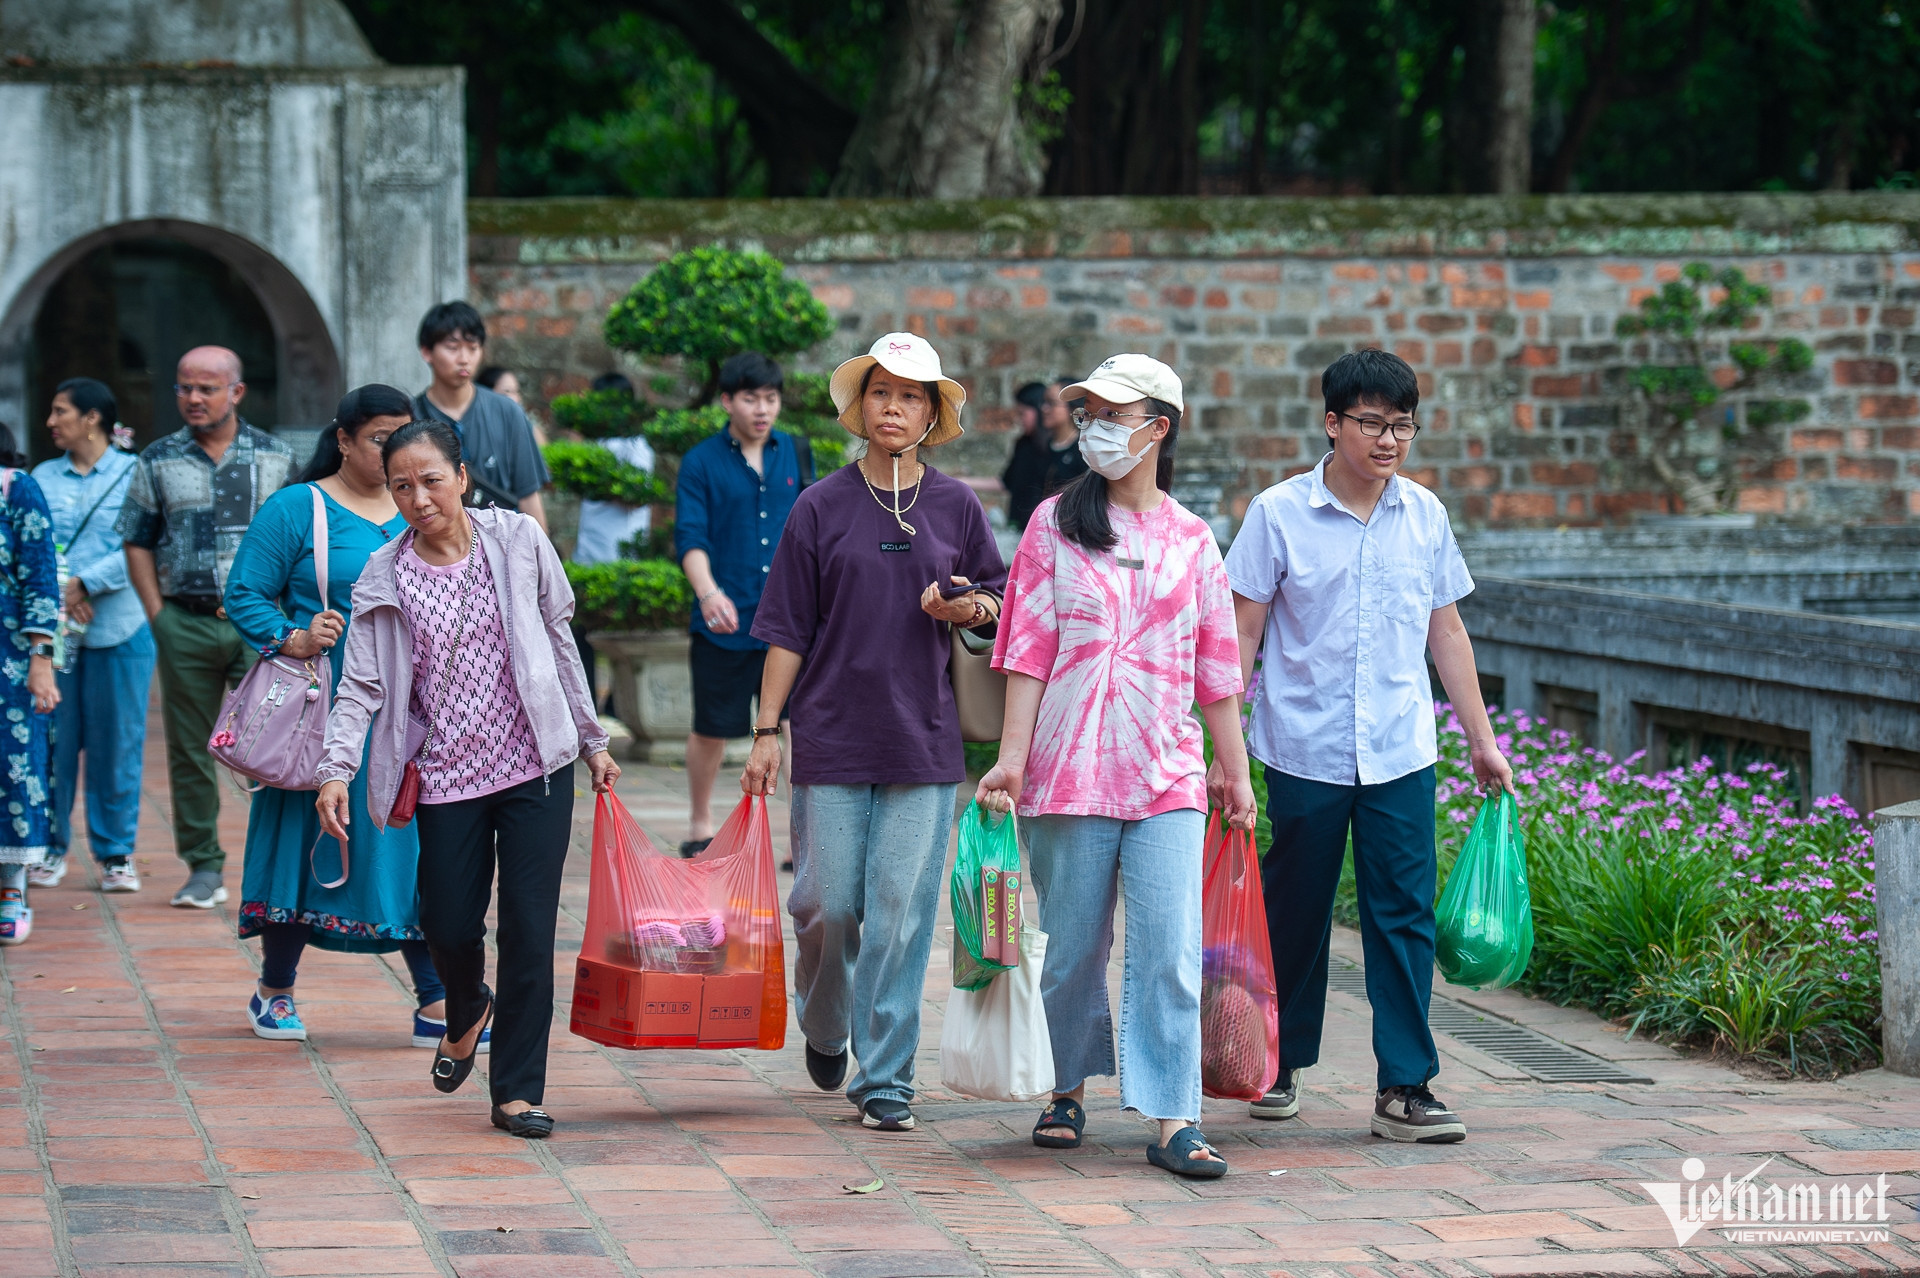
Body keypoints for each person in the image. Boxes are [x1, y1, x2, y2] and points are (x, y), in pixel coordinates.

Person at [1218, 348, 1513, 1144]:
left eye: (1402, 425)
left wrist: (1481, 740)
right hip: (1303, 747)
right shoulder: (1277, 514)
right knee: (1295, 913)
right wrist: (1225, 750)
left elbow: (1445, 629)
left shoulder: (1425, 516)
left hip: (1401, 751)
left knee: (1403, 916)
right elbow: (1241, 632)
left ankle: (1406, 1086)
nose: (1388, 440)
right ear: (1332, 423)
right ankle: (1280, 1063)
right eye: (1372, 423)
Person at [977, 354, 1255, 1179]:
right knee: (1071, 949)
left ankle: (1175, 1116)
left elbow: (1217, 669)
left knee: (1170, 948)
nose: (1093, 424)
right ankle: (1065, 1086)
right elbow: (1026, 650)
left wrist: (1232, 771)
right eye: (1088, 409)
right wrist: (1011, 760)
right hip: (1068, 770)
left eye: (1112, 412)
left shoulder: (1194, 538)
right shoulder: (1052, 524)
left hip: (1168, 771)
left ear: (1157, 428)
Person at [316, 420, 620, 1139]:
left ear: (462, 477)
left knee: (527, 926)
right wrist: (336, 769)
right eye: (401, 486)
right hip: (447, 774)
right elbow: (359, 686)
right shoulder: (384, 575)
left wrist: (591, 739)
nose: (418, 498)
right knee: (448, 922)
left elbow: (557, 636)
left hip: (533, 767)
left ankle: (517, 1090)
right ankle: (464, 1006)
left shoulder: (517, 540)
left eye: (430, 480)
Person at [743, 332, 1005, 1133]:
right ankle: (825, 1023)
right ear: (861, 407)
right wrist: (765, 730)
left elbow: (998, 603)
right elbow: (787, 628)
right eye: (883, 393)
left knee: (899, 910)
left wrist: (966, 609)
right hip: (829, 732)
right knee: (826, 904)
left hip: (924, 740)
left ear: (932, 414)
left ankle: (886, 1074)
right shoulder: (818, 504)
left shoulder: (957, 504)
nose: (895, 408)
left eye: (913, 396)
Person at [224, 386, 464, 1048]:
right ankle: (275, 989)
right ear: (343, 441)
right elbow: (243, 590)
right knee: (304, 846)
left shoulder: (421, 509)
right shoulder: (298, 508)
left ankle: (437, 999)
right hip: (320, 713)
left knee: (410, 849)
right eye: (379, 439)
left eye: (402, 438)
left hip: (415, 714)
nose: (394, 454)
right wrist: (291, 636)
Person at [117, 346, 296, 910]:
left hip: (262, 630)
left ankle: (280, 869)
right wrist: (158, 616)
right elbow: (137, 538)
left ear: (236, 392)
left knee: (279, 745)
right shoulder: (158, 458)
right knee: (191, 751)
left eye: (206, 388)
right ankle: (202, 867)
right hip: (185, 624)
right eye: (183, 388)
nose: (192, 398)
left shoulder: (278, 459)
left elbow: (299, 543)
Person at [674, 352, 804, 857]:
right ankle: (700, 821)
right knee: (712, 727)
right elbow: (690, 535)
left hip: (788, 624)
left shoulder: (796, 452)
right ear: (727, 400)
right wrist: (708, 592)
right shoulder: (701, 461)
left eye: (770, 398)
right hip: (723, 623)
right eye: (751, 398)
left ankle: (800, 834)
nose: (762, 408)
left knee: (795, 729)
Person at [30, 380, 151, 894]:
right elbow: (30, 542)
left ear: (93, 418)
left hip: (120, 628)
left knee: (117, 744)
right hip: (53, 634)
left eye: (61, 412)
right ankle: (49, 848)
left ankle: (115, 854)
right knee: (53, 742)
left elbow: (142, 544)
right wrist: (64, 588)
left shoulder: (134, 474)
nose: (51, 422)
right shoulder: (40, 477)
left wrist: (86, 583)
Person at [0, 423, 61, 944]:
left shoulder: (16, 487)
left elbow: (40, 576)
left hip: (10, 655)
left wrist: (41, 657)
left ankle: (11, 885)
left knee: (13, 761)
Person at [413, 302, 550, 531]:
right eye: (453, 347)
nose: (464, 358)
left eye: (473, 347)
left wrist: (540, 557)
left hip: (502, 542)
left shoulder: (508, 411)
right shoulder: (412, 415)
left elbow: (528, 496)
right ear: (427, 351)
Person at [571, 372, 657, 713]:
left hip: (623, 556)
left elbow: (635, 496)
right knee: (581, 636)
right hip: (588, 554)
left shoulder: (637, 446)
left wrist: (602, 476)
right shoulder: (590, 445)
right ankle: (588, 704)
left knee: (624, 639)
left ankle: (620, 706)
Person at [1000, 378, 1084, 531]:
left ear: (1073, 408)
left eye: (1051, 403)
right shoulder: (1031, 446)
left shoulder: (1084, 451)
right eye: (1043, 402)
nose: (1044, 409)